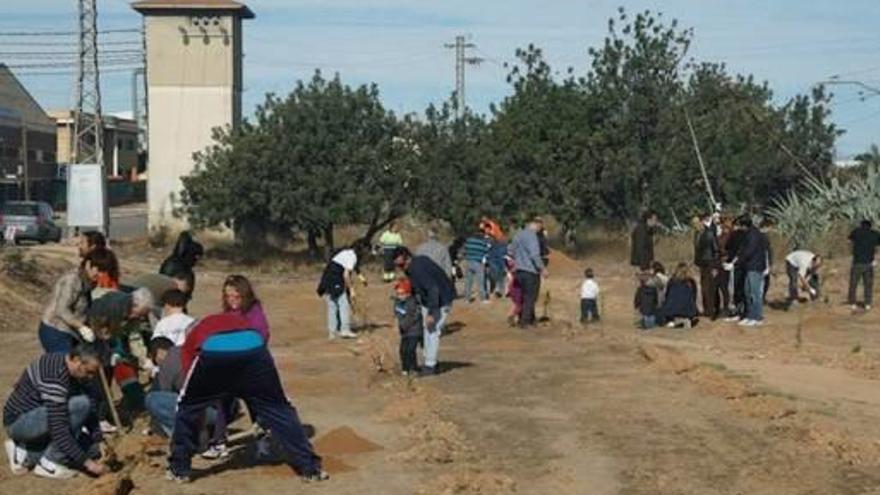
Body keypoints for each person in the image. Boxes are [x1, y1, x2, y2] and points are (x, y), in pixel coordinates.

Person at [167, 314, 327, 483]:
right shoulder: (234, 320)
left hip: (216, 354)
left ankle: (179, 469)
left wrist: (200, 398)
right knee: (279, 409)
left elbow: (188, 380)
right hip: (255, 349)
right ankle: (310, 468)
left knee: (189, 407)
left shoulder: (194, 336)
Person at [3, 344, 107, 479]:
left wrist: (97, 437)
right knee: (80, 404)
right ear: (76, 360)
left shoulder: (73, 369)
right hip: (19, 421)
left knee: (93, 450)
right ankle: (49, 463)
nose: (91, 377)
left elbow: (91, 405)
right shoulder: (55, 377)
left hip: (43, 419)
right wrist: (89, 464)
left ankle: (25, 451)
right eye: (89, 372)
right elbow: (59, 428)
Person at [393, 247, 455, 377]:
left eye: (401, 264)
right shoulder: (413, 266)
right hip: (430, 300)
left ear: (407, 257)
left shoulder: (418, 268)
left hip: (441, 300)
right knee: (426, 330)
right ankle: (430, 361)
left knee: (432, 330)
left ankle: (430, 366)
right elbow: (418, 288)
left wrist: (432, 313)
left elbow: (433, 289)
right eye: (398, 265)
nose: (400, 268)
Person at [39, 249, 114, 352]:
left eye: (104, 272)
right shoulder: (72, 280)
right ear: (88, 264)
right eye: (99, 270)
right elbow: (61, 309)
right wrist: (81, 327)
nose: (100, 275)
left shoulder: (89, 280)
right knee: (67, 364)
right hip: (56, 329)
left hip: (73, 331)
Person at [508, 218, 547, 327]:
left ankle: (530, 319)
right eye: (540, 227)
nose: (540, 230)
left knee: (524, 296)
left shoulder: (518, 235)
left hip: (519, 271)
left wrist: (515, 261)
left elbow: (510, 250)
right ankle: (524, 322)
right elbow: (534, 255)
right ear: (536, 225)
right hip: (530, 271)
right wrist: (543, 268)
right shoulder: (532, 236)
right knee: (531, 297)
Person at [733, 216, 769, 326]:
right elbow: (744, 250)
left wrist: (737, 261)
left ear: (744, 225)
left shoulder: (753, 235)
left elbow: (749, 251)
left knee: (754, 293)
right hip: (749, 267)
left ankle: (757, 317)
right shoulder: (749, 233)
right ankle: (750, 315)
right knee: (747, 291)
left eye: (740, 225)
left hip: (755, 267)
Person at [316, 248, 358, 339]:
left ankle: (332, 333)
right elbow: (346, 275)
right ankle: (345, 330)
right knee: (343, 305)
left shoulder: (345, 253)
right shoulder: (352, 257)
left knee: (332, 306)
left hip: (327, 279)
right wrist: (351, 290)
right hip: (336, 280)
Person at [222, 274, 270, 342]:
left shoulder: (255, 313)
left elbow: (261, 336)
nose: (231, 299)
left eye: (236, 297)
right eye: (227, 296)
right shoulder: (227, 313)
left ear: (244, 295)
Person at [848, 220, 880, 310]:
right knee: (868, 284)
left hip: (857, 262)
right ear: (870, 226)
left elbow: (849, 240)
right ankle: (867, 303)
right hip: (869, 263)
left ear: (861, 225)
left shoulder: (856, 232)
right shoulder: (875, 234)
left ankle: (852, 302)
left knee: (853, 283)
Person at [393, 278, 423, 376]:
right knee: (402, 350)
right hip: (404, 332)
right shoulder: (397, 302)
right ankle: (405, 368)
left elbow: (414, 317)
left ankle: (414, 368)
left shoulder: (412, 303)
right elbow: (397, 313)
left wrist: (404, 325)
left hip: (414, 331)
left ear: (408, 293)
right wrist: (398, 324)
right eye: (398, 293)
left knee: (410, 350)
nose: (399, 296)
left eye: (401, 293)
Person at [694, 212, 721, 320]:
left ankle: (713, 309)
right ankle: (707, 309)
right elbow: (697, 249)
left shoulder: (709, 233)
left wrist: (715, 265)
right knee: (704, 286)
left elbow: (715, 249)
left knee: (711, 286)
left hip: (710, 261)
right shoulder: (697, 233)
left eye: (697, 223)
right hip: (702, 263)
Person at [657, 263, 699, 328]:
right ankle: (684, 319)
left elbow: (667, 294)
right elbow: (694, 296)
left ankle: (674, 321)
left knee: (664, 312)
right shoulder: (691, 282)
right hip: (688, 310)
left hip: (671, 310)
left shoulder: (672, 280)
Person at [462, 230, 492, 303]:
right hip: (478, 263)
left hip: (468, 262)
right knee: (480, 282)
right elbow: (486, 252)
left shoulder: (468, 241)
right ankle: (483, 298)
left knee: (468, 282)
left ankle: (467, 298)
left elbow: (464, 251)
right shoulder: (483, 243)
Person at [505, 257, 522, 327]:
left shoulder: (511, 271)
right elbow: (510, 281)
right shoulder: (512, 272)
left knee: (516, 304)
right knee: (518, 304)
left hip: (514, 288)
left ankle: (513, 316)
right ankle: (511, 316)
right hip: (515, 288)